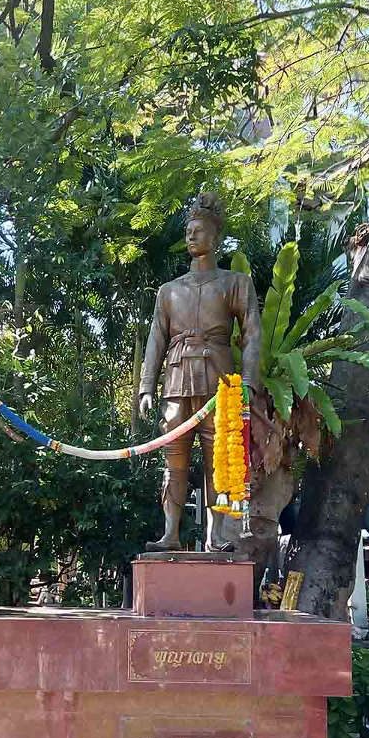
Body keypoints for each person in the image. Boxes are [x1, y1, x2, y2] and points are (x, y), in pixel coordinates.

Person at [139, 191, 261, 551]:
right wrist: (147, 386)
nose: (191, 236)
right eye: (188, 230)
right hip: (176, 379)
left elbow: (252, 334)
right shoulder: (168, 291)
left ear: (216, 238)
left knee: (217, 456)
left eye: (199, 230)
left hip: (218, 378)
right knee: (173, 455)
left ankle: (217, 536)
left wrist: (249, 383)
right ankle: (170, 534)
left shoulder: (235, 283)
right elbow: (155, 340)